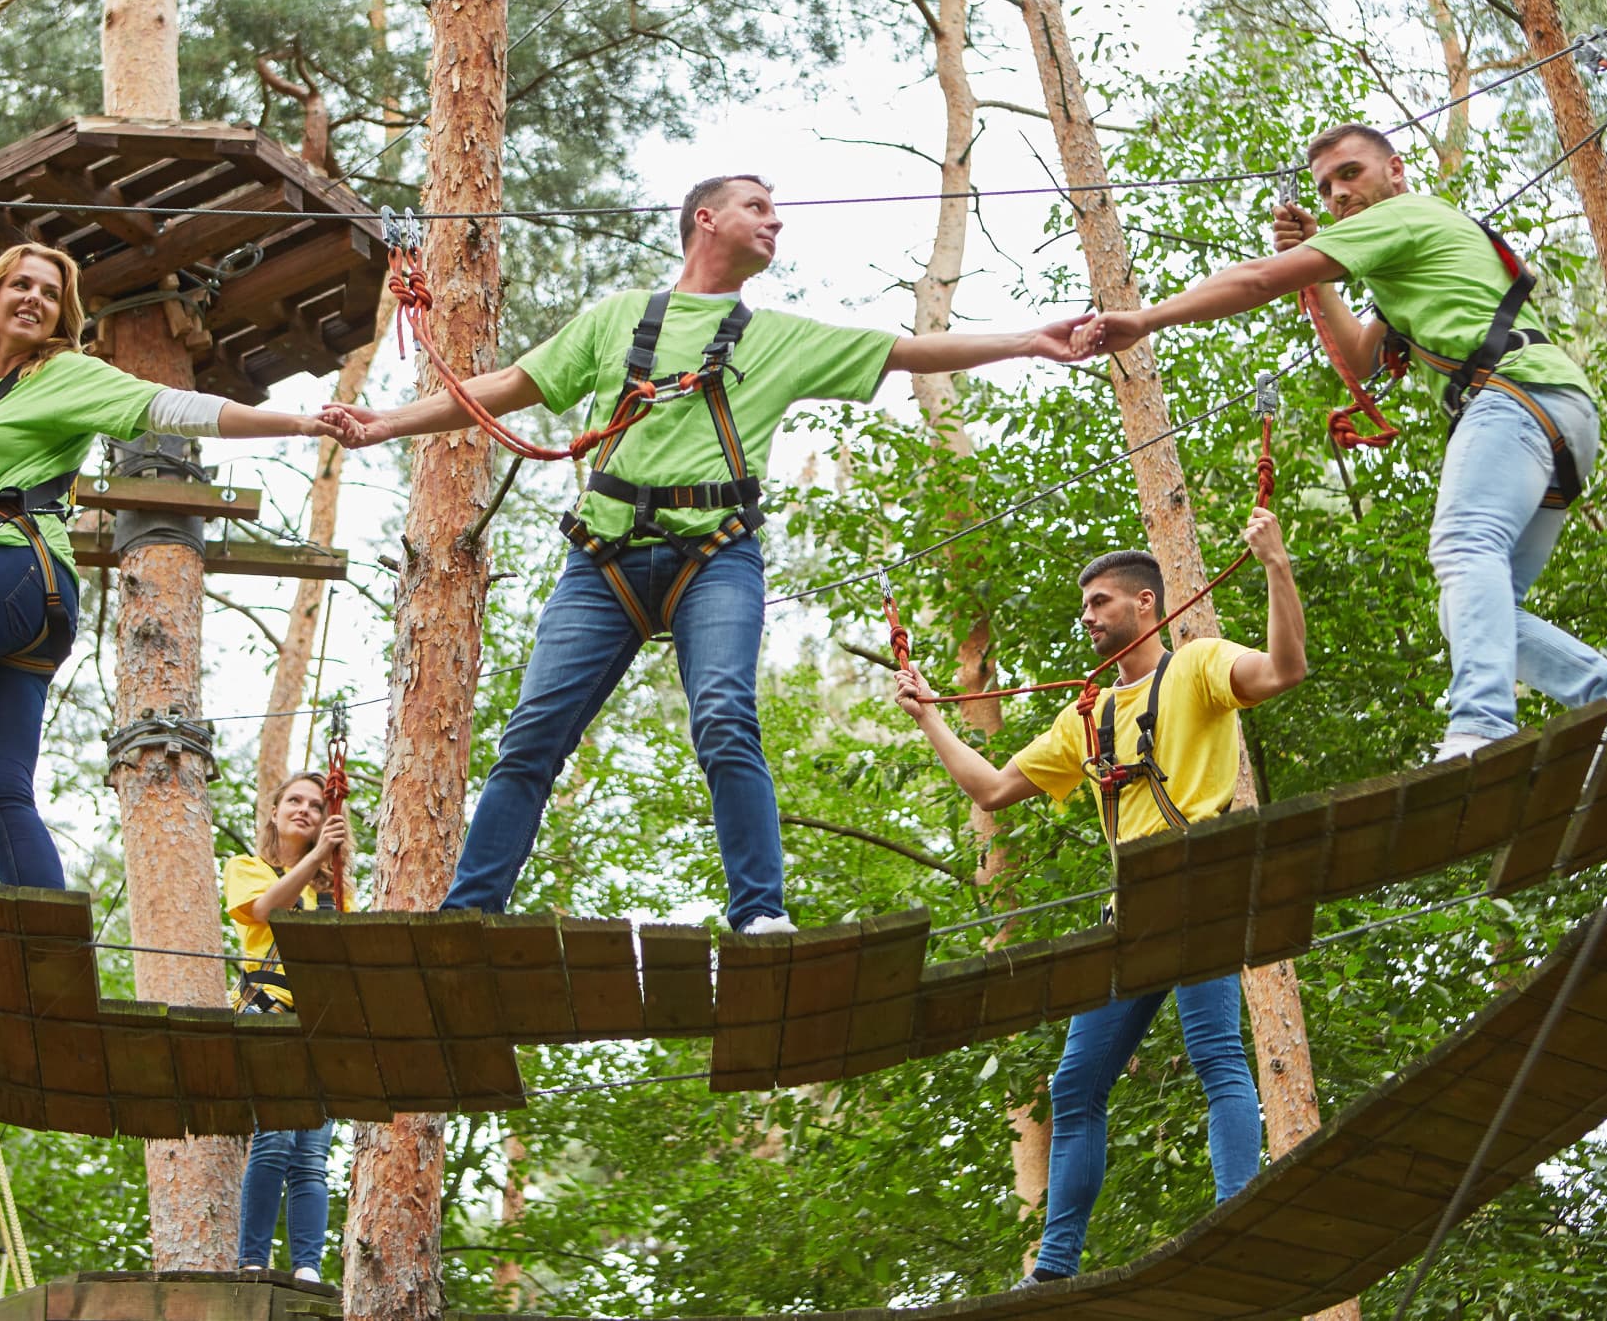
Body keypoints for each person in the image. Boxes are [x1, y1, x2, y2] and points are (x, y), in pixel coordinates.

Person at [328, 173, 1090, 933]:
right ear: (706, 219)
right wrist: (388, 421)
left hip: (715, 558)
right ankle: (468, 914)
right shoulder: (619, 319)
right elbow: (505, 385)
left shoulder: (778, 337)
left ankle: (759, 912)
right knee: (531, 735)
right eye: (759, 206)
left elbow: (909, 350)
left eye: (776, 207)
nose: (777, 222)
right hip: (604, 559)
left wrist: (1030, 339)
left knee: (725, 717)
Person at [1073, 126, 1607, 760]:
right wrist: (1322, 275)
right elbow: (1361, 357)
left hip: (1514, 400)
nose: (1338, 193)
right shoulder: (1409, 243)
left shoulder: (1402, 213)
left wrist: (1144, 320)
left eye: (1351, 173)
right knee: (1471, 610)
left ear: (1395, 171)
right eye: (1326, 187)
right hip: (1553, 412)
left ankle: (1481, 724)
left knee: (1462, 546)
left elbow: (1260, 279)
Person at [0, 241, 336, 887]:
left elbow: (169, 406)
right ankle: (55, 969)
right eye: (20, 284)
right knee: (0, 796)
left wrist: (297, 422)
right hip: (25, 599)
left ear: (62, 316)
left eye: (50, 292)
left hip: (13, 569)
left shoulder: (68, 374)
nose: (33, 297)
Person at [891, 517, 1307, 1282]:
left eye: (1101, 600)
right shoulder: (1085, 716)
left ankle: (1237, 1216)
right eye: (1085, 603)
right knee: (1074, 1085)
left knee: (1216, 1055)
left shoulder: (1200, 668)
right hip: (1134, 910)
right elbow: (991, 787)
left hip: (1200, 885)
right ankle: (1054, 1264)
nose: (1087, 614)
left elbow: (1284, 670)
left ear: (1146, 603)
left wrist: (1276, 566)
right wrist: (928, 716)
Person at [225, 772, 351, 1275]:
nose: (304, 810)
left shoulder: (335, 892)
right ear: (274, 814)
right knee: (275, 1137)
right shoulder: (248, 867)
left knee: (312, 1154)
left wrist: (326, 868)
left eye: (317, 805)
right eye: (293, 801)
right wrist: (318, 858)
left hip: (321, 1022)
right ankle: (253, 1260)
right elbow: (263, 909)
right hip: (267, 1012)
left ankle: (307, 1266)